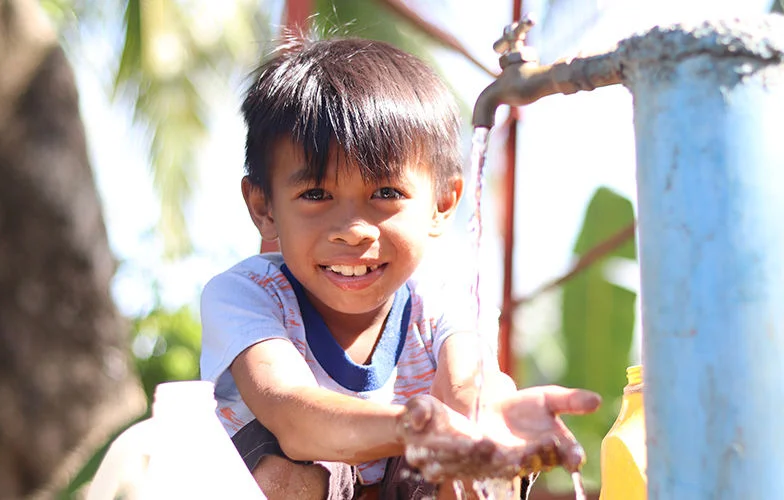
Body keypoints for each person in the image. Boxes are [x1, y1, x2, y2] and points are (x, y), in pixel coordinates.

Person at [199, 35, 601, 500]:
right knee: (283, 473)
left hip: (403, 482)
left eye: (385, 194)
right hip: (291, 480)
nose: (352, 230)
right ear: (264, 206)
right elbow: (294, 416)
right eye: (315, 195)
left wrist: (489, 415)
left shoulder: (442, 298)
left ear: (442, 203)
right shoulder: (247, 294)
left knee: (483, 454)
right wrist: (415, 429)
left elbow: (465, 382)